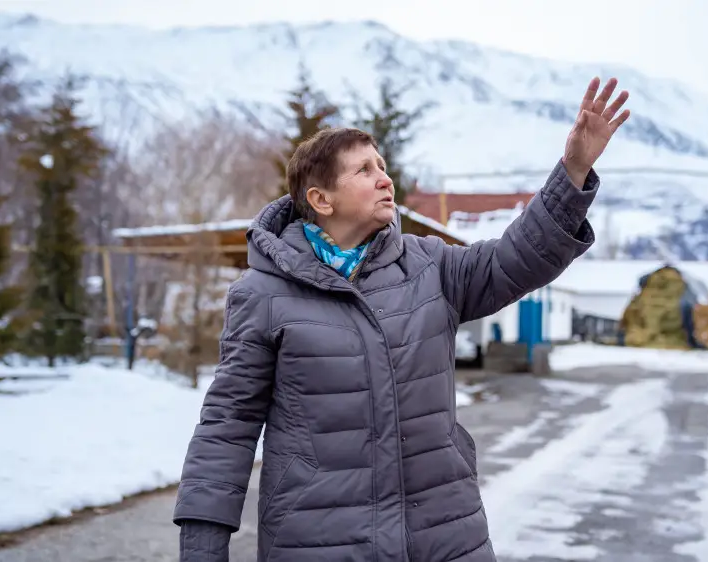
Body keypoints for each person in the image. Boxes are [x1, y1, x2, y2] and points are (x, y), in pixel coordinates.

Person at [174, 76, 630, 562]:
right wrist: (202, 548)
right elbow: (228, 424)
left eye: (383, 166)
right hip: (319, 542)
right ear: (321, 200)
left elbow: (516, 259)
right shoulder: (263, 294)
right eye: (364, 169)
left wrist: (573, 170)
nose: (385, 179)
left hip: (444, 536)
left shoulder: (431, 266)